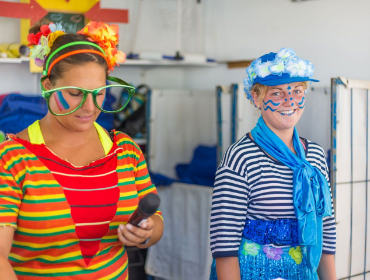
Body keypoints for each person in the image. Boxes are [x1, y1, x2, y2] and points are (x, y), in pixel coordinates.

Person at [0, 21, 163, 280]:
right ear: (47, 85)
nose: (90, 107)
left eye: (99, 93)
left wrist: (147, 231)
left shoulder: (125, 150)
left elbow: (155, 220)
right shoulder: (13, 160)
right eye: (75, 93)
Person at [209, 48, 336, 280]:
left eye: (297, 91)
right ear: (257, 98)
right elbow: (224, 246)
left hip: (304, 272)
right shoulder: (240, 157)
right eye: (276, 93)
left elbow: (326, 234)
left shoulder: (315, 156)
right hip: (253, 272)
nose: (289, 100)